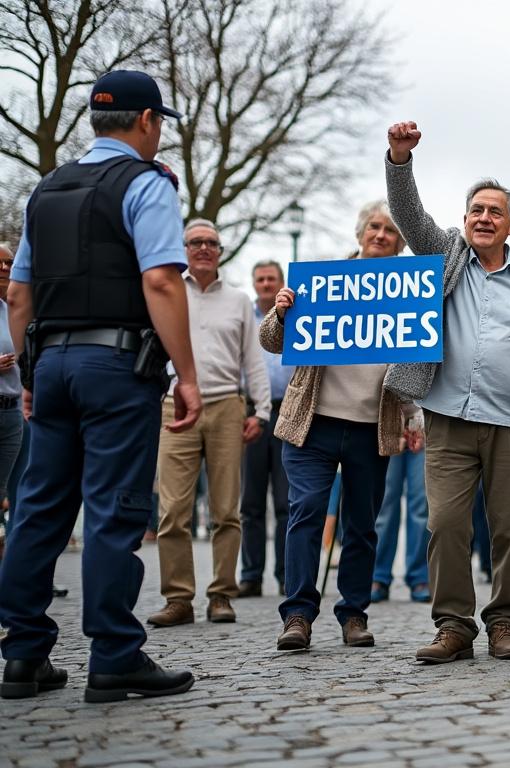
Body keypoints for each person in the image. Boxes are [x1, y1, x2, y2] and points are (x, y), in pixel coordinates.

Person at [0, 70, 201, 702]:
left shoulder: (47, 189)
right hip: (115, 368)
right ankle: (115, 655)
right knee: (115, 510)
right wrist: (187, 375)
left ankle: (24, 655)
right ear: (146, 122)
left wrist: (33, 373)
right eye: (160, 120)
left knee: (38, 511)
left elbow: (19, 295)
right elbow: (163, 282)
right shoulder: (146, 183)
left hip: (52, 365)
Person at [383, 122, 510, 665]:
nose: (484, 218)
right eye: (475, 211)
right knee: (444, 525)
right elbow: (407, 212)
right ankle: (453, 626)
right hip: (447, 418)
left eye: (495, 212)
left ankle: (506, 622)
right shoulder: (444, 256)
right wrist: (399, 159)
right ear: (464, 221)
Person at [261, 199, 423, 651]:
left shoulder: (411, 291)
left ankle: (354, 613)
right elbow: (272, 341)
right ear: (359, 233)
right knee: (306, 512)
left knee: (362, 524)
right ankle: (297, 614)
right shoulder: (322, 281)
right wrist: (281, 312)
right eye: (374, 226)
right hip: (312, 424)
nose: (381, 235)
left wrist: (414, 415)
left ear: (400, 241)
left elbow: (421, 359)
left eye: (390, 230)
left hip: (372, 426)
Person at [147, 219, 270, 628]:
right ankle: (178, 598)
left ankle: (221, 595)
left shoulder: (237, 300)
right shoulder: (166, 290)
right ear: (183, 249)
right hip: (174, 406)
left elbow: (253, 359)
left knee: (226, 509)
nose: (203, 248)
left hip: (226, 408)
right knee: (173, 510)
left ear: (220, 251)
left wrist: (261, 412)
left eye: (211, 243)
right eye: (195, 242)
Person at [238, 260, 294, 597]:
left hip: (288, 413)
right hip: (251, 414)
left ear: (281, 282)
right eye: (260, 279)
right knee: (251, 501)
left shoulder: (295, 315)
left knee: (287, 502)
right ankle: (250, 574)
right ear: (254, 283)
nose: (265, 284)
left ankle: (286, 575)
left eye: (271, 278)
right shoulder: (246, 318)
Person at [370, 440, 429, 604]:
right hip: (389, 427)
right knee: (385, 505)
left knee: (421, 506)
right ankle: (378, 575)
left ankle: (420, 576)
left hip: (423, 427)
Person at [0, 245, 24, 558]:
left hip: (13, 414)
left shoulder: (14, 308)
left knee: (6, 493)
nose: (6, 268)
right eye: (0, 263)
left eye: (10, 262)